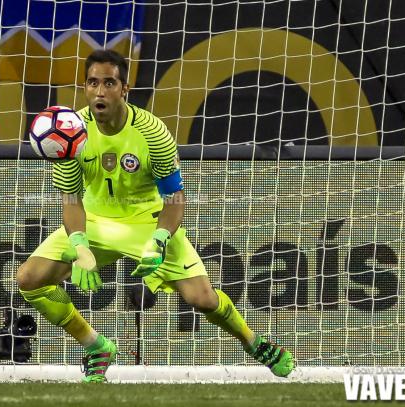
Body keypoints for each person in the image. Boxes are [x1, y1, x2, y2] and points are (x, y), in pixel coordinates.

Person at [16, 49, 295, 383]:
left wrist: (161, 239)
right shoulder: (69, 132)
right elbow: (72, 200)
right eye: (92, 82)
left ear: (124, 89)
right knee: (29, 280)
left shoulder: (152, 132)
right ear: (85, 87)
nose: (100, 91)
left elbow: (175, 198)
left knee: (202, 299)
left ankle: (255, 344)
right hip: (93, 222)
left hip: (147, 223)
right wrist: (79, 244)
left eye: (109, 82)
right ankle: (96, 346)